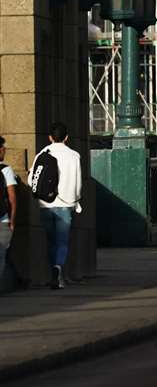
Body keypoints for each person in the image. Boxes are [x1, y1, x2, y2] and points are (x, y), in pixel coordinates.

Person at [30, 123, 83, 289]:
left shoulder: (42, 153)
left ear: (50, 137)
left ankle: (54, 274)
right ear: (66, 137)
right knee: (62, 242)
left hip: (45, 204)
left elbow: (32, 178)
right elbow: (78, 183)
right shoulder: (74, 156)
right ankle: (58, 269)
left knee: (51, 242)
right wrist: (76, 201)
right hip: (65, 204)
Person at [0, 136, 16, 289]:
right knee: (1, 255)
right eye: (3, 147)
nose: (4, 150)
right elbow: (12, 197)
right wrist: (12, 219)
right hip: (2, 218)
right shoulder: (5, 169)